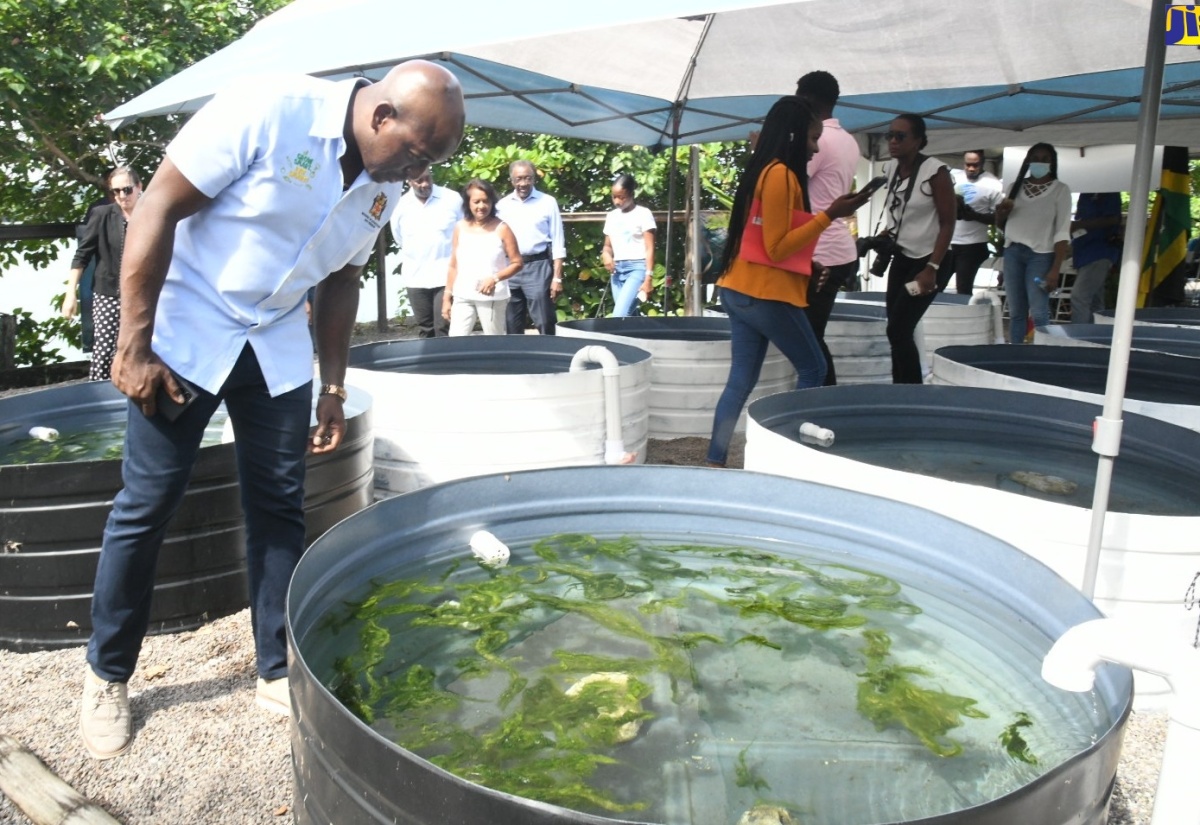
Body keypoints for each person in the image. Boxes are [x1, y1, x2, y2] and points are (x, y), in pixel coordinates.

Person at [79, 60, 465, 761]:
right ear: (383, 117)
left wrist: (334, 385)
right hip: (189, 329)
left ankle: (277, 664)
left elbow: (343, 278)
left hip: (276, 343)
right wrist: (133, 342)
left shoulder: (382, 186)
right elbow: (159, 205)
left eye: (431, 164)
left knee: (281, 503)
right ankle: (106, 674)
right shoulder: (271, 106)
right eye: (417, 153)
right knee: (148, 501)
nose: (418, 173)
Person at [706, 96, 869, 467]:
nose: (815, 148)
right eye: (813, 139)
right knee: (814, 368)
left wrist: (807, 263)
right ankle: (792, 455)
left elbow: (769, 239)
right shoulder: (779, 174)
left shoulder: (764, 169)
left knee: (740, 381)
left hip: (739, 288)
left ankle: (715, 458)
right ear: (795, 136)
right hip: (764, 294)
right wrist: (831, 214)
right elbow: (777, 248)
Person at [860, 114, 954, 383]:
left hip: (929, 261)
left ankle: (912, 391)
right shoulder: (890, 170)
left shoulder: (935, 172)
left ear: (918, 141)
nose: (892, 141)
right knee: (896, 329)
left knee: (899, 330)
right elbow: (900, 214)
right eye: (889, 135)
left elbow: (948, 224)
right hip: (902, 257)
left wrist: (931, 269)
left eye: (900, 136)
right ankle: (899, 387)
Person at [795, 70, 860, 386]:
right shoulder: (848, 139)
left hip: (820, 251)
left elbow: (789, 184)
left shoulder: (819, 139)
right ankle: (823, 399)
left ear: (808, 100)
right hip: (836, 247)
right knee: (811, 335)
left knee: (809, 339)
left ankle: (826, 401)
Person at [63, 167, 142, 381]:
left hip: (145, 294)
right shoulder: (102, 214)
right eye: (116, 192)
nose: (122, 196)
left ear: (139, 187)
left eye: (127, 190)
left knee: (149, 348)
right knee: (106, 350)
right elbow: (82, 255)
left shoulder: (151, 214)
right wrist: (71, 294)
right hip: (108, 292)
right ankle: (101, 394)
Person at [995, 143, 1072, 342]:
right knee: (1016, 312)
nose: (1039, 162)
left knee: (1038, 312)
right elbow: (1002, 226)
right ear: (1028, 161)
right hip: (1013, 252)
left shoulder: (1060, 190)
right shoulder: (1015, 187)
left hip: (1041, 256)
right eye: (1035, 158)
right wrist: (1000, 215)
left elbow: (1062, 232)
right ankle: (1016, 354)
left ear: (1052, 163)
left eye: (1045, 159)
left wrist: (1055, 269)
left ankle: (1041, 354)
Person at [442, 179, 523, 335]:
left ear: (492, 202)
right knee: (455, 342)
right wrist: (447, 297)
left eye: (486, 201)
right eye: (476, 201)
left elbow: (517, 263)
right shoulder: (460, 227)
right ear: (468, 203)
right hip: (462, 295)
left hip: (491, 297)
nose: (481, 206)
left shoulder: (502, 228)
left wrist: (495, 278)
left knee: (494, 344)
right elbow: (453, 265)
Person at [390, 169, 463, 337]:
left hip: (446, 275)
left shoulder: (451, 199)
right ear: (408, 181)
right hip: (416, 277)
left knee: (444, 326)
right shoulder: (399, 205)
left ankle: (446, 363)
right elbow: (399, 238)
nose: (425, 184)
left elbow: (464, 231)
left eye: (428, 178)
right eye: (419, 180)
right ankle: (429, 363)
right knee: (426, 329)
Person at [496, 160, 566, 334]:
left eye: (528, 178)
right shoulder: (502, 205)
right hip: (510, 267)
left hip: (538, 267)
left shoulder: (548, 202)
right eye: (519, 179)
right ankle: (516, 360)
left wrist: (557, 278)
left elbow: (558, 241)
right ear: (512, 181)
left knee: (544, 321)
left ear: (534, 179)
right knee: (511, 323)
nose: (523, 183)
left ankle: (550, 357)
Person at [947, 150, 1005, 295]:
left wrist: (974, 216)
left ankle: (965, 316)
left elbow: (998, 218)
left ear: (983, 163)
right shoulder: (954, 177)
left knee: (963, 288)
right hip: (948, 242)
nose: (971, 169)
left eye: (975, 165)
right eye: (968, 165)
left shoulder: (993, 183)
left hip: (973, 244)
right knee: (936, 284)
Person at [601, 174, 656, 316]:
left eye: (622, 197)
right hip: (617, 271)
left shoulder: (643, 214)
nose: (617, 201)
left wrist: (648, 277)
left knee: (620, 315)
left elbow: (650, 248)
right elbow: (607, 246)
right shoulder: (611, 216)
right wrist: (606, 255)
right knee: (629, 316)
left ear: (632, 194)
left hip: (637, 268)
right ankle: (644, 336)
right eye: (614, 197)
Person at [1069, 193, 1122, 324]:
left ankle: (1080, 337)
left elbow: (1114, 219)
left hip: (1099, 251)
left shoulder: (1109, 192)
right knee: (1094, 301)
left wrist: (1079, 225)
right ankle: (1097, 334)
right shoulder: (1085, 194)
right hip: (1083, 252)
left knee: (1079, 296)